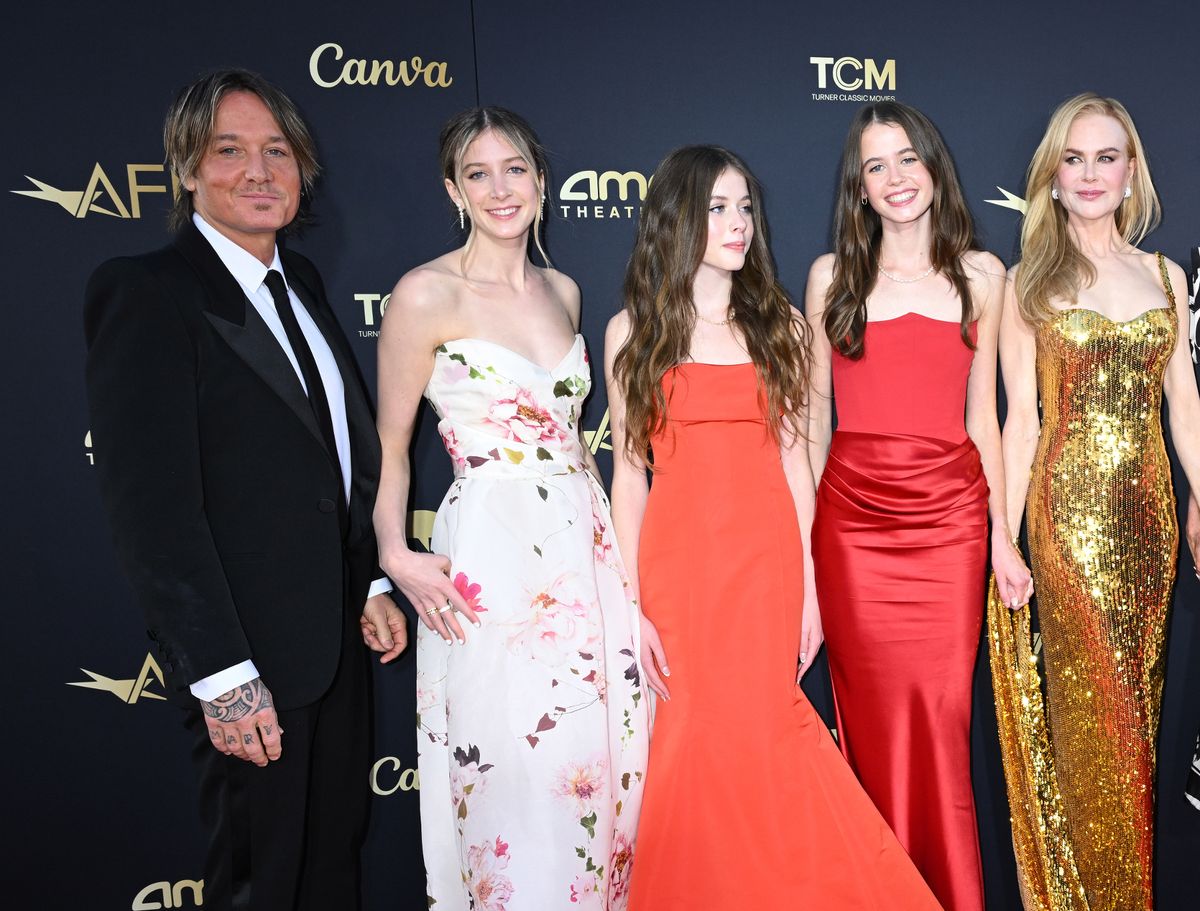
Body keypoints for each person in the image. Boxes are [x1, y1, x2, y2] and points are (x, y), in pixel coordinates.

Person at [83, 69, 405, 910]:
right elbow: (152, 511)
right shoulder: (148, 292)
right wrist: (224, 673)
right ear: (187, 167)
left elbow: (334, 454)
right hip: (250, 663)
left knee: (331, 865)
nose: (260, 170)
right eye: (230, 150)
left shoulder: (299, 285)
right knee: (261, 882)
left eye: (278, 150)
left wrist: (365, 575)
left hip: (332, 648)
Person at [608, 144, 941, 910]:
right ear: (678, 220)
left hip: (765, 571)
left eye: (745, 208)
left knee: (770, 739)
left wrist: (811, 593)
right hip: (678, 577)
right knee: (691, 750)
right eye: (718, 208)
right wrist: (633, 605)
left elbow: (798, 470)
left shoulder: (783, 327)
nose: (737, 224)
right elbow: (628, 479)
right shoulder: (634, 332)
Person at [374, 107, 648, 910]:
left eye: (516, 169)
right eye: (479, 174)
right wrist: (393, 551)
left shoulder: (563, 288)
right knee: (510, 771)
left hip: (584, 543)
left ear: (541, 179)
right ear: (453, 190)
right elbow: (389, 447)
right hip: (492, 555)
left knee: (597, 762)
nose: (502, 189)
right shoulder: (424, 293)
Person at [804, 101, 1029, 911]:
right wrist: (809, 553)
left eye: (907, 159)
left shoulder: (983, 275)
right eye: (876, 166)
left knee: (939, 726)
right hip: (855, 529)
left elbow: (984, 420)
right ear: (859, 188)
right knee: (867, 733)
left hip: (949, 522)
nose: (895, 179)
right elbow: (812, 422)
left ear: (934, 167)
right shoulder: (833, 276)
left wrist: (1002, 536)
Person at [991, 92, 1200, 911]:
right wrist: (1004, 541)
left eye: (1105, 157)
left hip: (1149, 523)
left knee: (1143, 722)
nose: (1089, 173)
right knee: (1096, 721)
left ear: (1131, 171)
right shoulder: (1025, 283)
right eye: (1072, 158)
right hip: (1067, 527)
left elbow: (1183, 404)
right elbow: (1019, 427)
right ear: (1052, 174)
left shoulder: (1164, 276)